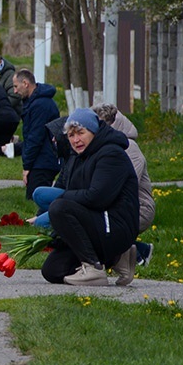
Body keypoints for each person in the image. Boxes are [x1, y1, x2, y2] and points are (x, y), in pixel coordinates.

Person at [38, 108, 139, 287]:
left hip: (115, 225)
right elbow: (75, 193)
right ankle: (118, 257)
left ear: (93, 131)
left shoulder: (111, 154)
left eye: (80, 133)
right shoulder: (78, 157)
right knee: (52, 270)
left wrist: (62, 198)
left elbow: (98, 197)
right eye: (70, 135)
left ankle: (93, 268)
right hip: (96, 223)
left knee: (59, 207)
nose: (76, 140)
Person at [93, 103, 156, 266]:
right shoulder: (106, 147)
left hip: (139, 208)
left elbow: (122, 186)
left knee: (96, 224)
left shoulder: (129, 148)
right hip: (122, 205)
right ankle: (135, 250)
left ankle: (138, 252)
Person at [12, 69, 61, 199]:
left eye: (16, 86)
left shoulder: (40, 105)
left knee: (35, 199)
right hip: (41, 159)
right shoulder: (35, 102)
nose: (15, 91)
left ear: (25, 83)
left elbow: (35, 137)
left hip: (43, 160)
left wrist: (27, 166)